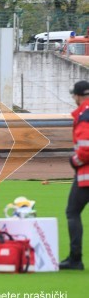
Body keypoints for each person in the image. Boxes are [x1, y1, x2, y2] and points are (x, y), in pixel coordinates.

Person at [60, 80, 89, 271]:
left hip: (86, 175)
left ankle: (75, 258)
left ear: (78, 95)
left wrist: (74, 161)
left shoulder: (84, 114)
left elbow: (86, 148)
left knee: (72, 212)